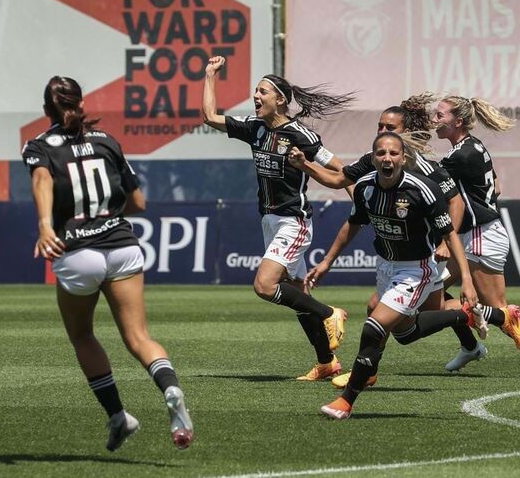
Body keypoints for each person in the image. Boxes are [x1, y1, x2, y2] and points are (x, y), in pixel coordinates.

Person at [22, 76, 193, 452]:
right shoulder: (107, 141)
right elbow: (139, 203)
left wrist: (46, 225)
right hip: (122, 247)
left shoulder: (39, 146)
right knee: (139, 338)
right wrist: (108, 215)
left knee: (82, 335)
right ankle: (170, 388)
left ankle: (118, 416)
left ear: (46, 110)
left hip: (77, 252)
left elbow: (42, 180)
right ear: (82, 103)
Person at [307, 132, 520, 420]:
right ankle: (465, 316)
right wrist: (327, 262)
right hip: (386, 266)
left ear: (403, 158)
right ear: (373, 158)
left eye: (393, 153)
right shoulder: (365, 188)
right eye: (381, 153)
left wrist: (467, 280)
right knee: (405, 333)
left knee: (374, 326)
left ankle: (346, 401)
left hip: (416, 270)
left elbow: (450, 235)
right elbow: (353, 223)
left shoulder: (422, 190)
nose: (387, 158)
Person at [289, 94, 486, 381]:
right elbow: (338, 181)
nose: (383, 132)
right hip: (393, 258)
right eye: (380, 127)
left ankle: (493, 317)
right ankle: (468, 339)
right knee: (401, 321)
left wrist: (445, 243)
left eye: (390, 128)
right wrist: (305, 165)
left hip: (425, 253)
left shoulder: (422, 168)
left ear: (405, 135)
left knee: (414, 314)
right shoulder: (375, 160)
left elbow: (455, 202)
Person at [202, 56, 353, 381]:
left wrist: (359, 200)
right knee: (298, 294)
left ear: (281, 100)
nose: (256, 96)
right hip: (269, 221)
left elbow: (339, 168)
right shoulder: (254, 128)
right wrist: (210, 75)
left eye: (262, 92)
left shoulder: (300, 135)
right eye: (256, 91)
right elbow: (210, 117)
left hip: (293, 222)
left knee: (265, 285)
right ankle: (326, 362)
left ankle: (330, 313)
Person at [434, 95, 520, 378]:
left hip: (481, 236)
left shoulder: (460, 155)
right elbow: (496, 186)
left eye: (440, 115)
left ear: (458, 121)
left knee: (499, 311)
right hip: (478, 234)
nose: (434, 120)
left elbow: (429, 180)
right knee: (431, 290)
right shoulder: (473, 146)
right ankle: (470, 345)